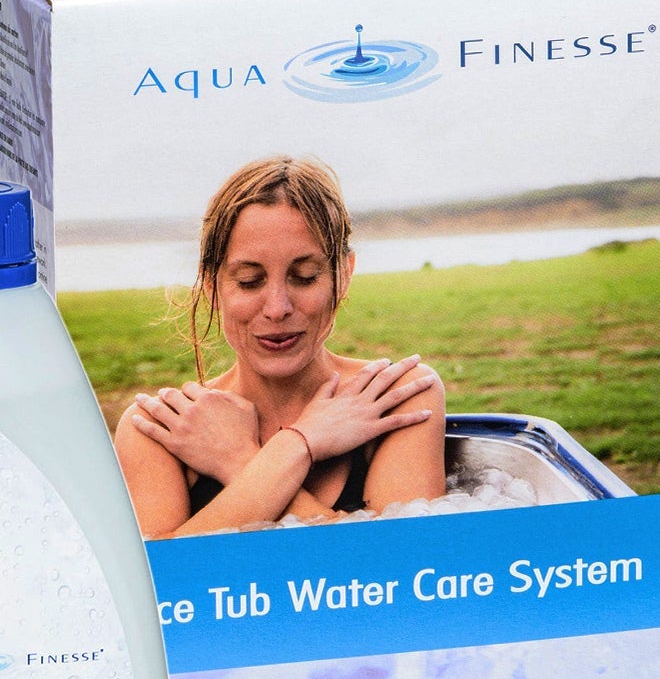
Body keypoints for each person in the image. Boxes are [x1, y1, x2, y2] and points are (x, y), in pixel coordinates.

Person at [115, 155, 445, 538]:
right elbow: (163, 573)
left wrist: (240, 459)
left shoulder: (398, 397)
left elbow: (399, 564)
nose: (277, 308)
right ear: (211, 285)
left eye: (304, 277)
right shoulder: (158, 429)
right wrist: (302, 444)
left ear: (344, 275)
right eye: (249, 281)